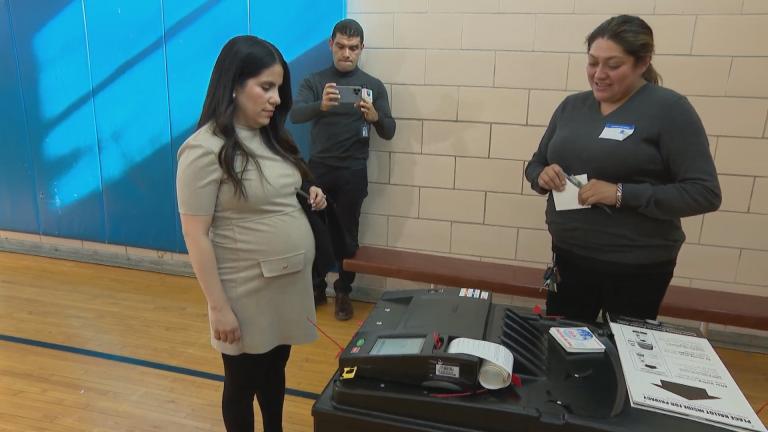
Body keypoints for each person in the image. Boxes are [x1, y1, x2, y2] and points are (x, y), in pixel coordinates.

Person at [525, 15, 721, 323]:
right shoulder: (572, 106)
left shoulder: (669, 110)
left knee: (622, 359)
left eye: (613, 65)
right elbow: (536, 163)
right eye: (592, 63)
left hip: (636, 265)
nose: (599, 75)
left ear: (642, 63)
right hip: (570, 256)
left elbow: (704, 193)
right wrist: (541, 175)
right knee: (565, 350)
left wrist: (619, 194)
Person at [176, 36, 326, 432]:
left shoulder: (271, 137)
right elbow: (196, 235)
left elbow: (275, 193)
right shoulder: (203, 150)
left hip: (287, 285)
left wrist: (308, 193)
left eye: (279, 88)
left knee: (275, 370)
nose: (277, 98)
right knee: (243, 382)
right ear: (233, 85)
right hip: (245, 292)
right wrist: (218, 307)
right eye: (266, 87)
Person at [290, 18, 396, 320]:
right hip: (317, 172)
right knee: (312, 232)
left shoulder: (373, 86)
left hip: (352, 173)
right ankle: (316, 287)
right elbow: (296, 114)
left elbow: (389, 130)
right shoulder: (315, 81)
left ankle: (344, 291)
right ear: (330, 45)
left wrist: (375, 116)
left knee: (347, 237)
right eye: (340, 46)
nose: (346, 53)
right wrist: (320, 106)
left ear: (361, 49)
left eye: (353, 48)